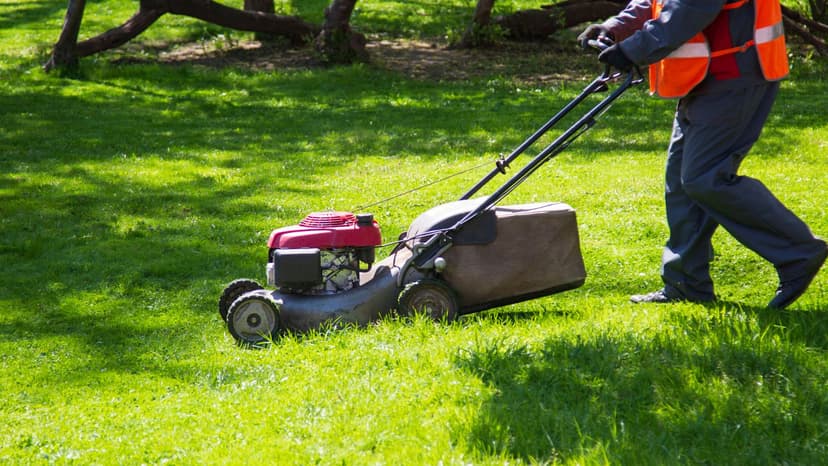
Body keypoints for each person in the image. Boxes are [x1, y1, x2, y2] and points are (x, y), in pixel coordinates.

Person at [578, 0, 826, 308]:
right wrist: (616, 27)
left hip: (735, 75)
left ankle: (799, 252)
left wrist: (634, 49)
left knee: (705, 178)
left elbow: (690, 9)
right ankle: (686, 284)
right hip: (701, 80)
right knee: (682, 184)